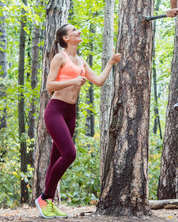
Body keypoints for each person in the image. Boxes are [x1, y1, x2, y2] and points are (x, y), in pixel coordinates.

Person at [35, 23, 121, 218]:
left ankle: (47, 203)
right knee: (69, 154)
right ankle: (44, 197)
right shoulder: (60, 57)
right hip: (55, 110)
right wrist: (73, 81)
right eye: (74, 30)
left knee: (56, 159)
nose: (78, 32)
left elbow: (98, 81)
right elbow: (49, 85)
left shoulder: (81, 61)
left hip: (70, 112)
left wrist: (110, 63)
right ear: (66, 38)